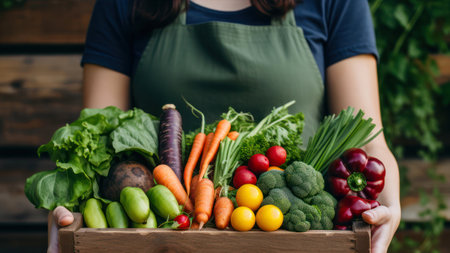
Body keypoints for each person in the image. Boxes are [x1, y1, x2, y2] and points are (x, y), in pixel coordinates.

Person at [47, 0, 401, 252]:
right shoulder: (122, 3)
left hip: (298, 238)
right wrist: (68, 212)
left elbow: (368, 143)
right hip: (162, 238)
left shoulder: (336, 3)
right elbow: (93, 135)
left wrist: (388, 209)